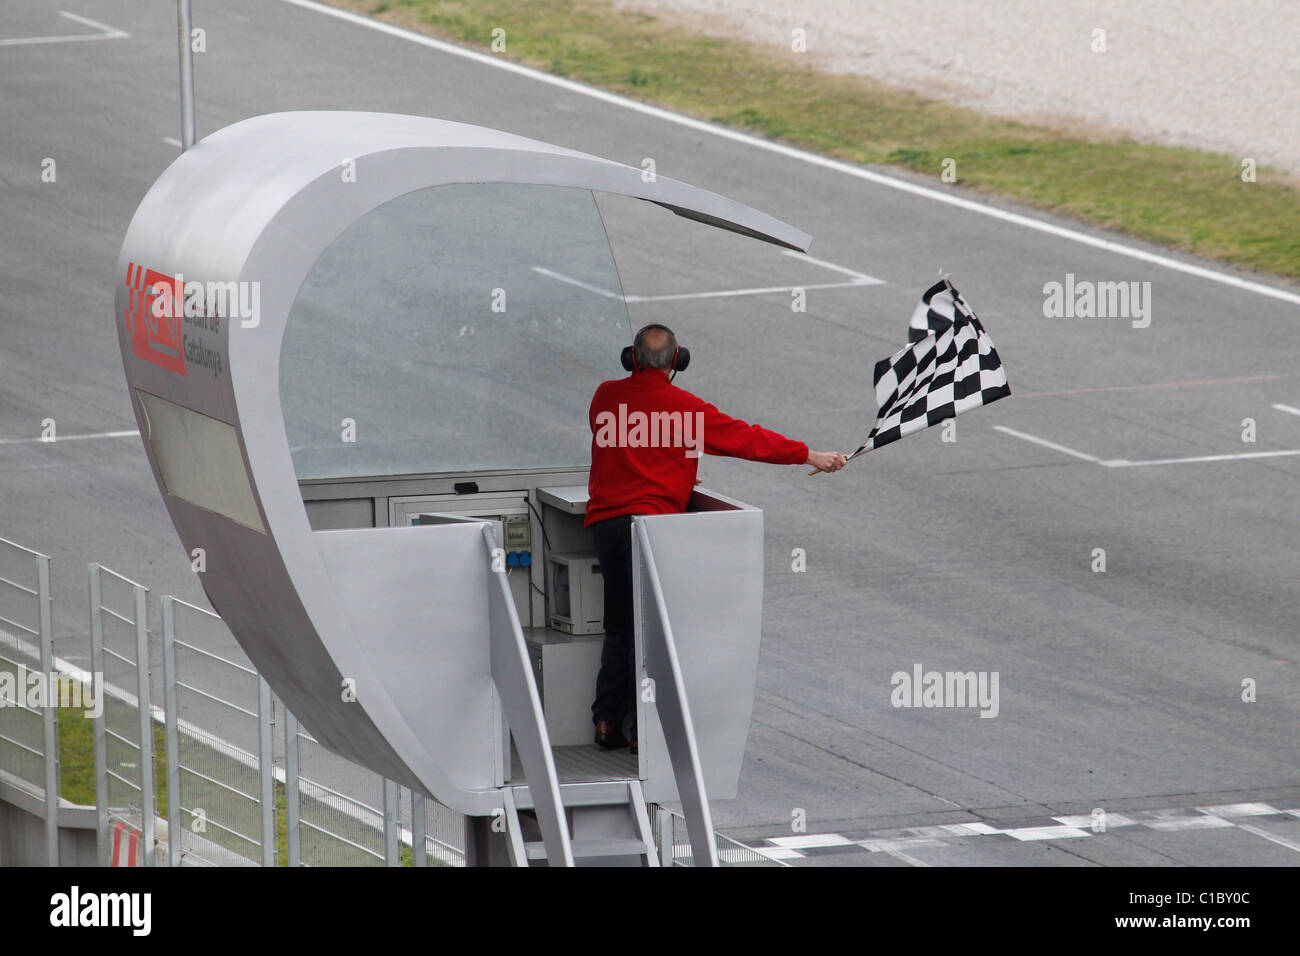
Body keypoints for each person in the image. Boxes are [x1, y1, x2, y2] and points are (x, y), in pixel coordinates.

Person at [585, 323, 846, 754]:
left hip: (607, 527)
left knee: (618, 626)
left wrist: (676, 465)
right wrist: (808, 454)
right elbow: (746, 438)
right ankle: (642, 734)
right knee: (653, 631)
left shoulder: (604, 396)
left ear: (630, 358)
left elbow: (630, 444)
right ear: (677, 361)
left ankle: (606, 721)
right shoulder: (685, 408)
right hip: (652, 530)